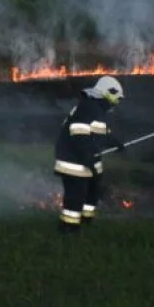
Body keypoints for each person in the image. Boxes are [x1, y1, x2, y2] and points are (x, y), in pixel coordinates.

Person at [53, 75, 126, 231]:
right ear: (108, 93)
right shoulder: (88, 107)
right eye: (116, 98)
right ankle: (68, 229)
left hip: (86, 162)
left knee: (92, 194)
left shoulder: (97, 109)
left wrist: (115, 142)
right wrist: (87, 159)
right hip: (74, 163)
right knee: (75, 199)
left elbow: (99, 132)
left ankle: (86, 223)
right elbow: (79, 134)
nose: (117, 102)